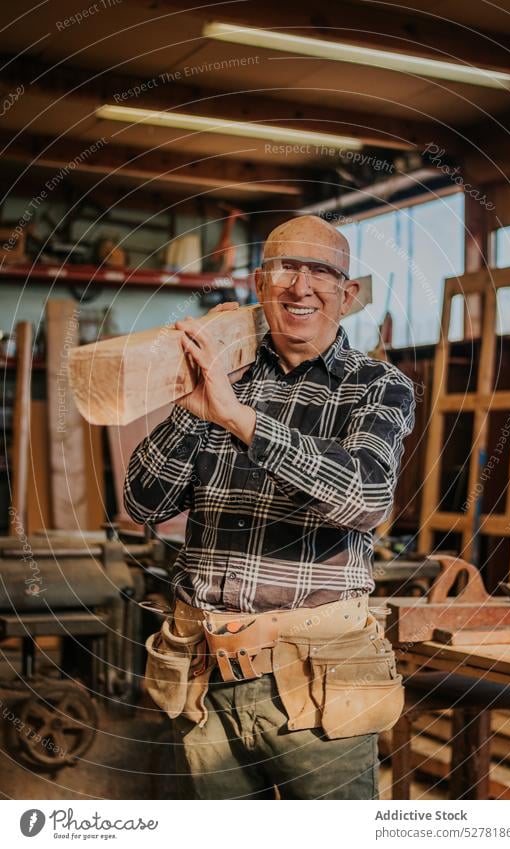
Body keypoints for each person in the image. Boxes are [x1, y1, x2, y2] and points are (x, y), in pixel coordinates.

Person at [124, 215, 415, 800]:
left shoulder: (377, 386)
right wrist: (193, 408)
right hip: (205, 677)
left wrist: (242, 420)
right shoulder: (221, 377)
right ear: (260, 284)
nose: (300, 286)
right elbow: (142, 502)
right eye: (285, 267)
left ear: (347, 293)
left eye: (322, 272)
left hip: (317, 682)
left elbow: (366, 498)